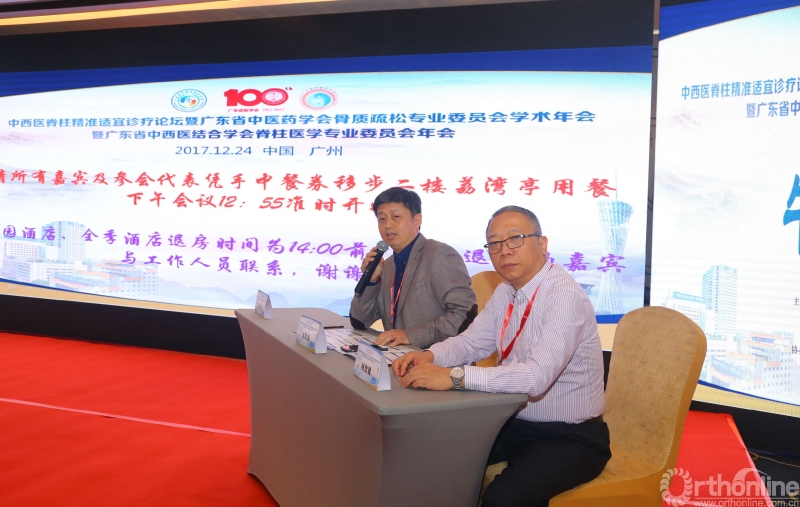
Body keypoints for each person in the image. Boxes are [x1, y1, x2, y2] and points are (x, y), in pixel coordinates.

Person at [392, 205, 609, 507]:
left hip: (569, 436)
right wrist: (430, 356)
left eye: (515, 238)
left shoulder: (564, 297)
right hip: (512, 419)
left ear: (542, 244)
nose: (504, 250)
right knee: (436, 455)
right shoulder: (506, 291)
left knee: (502, 500)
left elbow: (535, 378)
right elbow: (471, 343)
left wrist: (455, 377)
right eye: (494, 243)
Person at [349, 187, 476, 348]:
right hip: (395, 356)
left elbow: (465, 314)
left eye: (396, 217)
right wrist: (372, 281)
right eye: (382, 219)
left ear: (417, 220)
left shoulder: (439, 254)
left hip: (435, 359)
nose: (388, 225)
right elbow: (359, 321)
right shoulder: (386, 266)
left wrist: (410, 335)